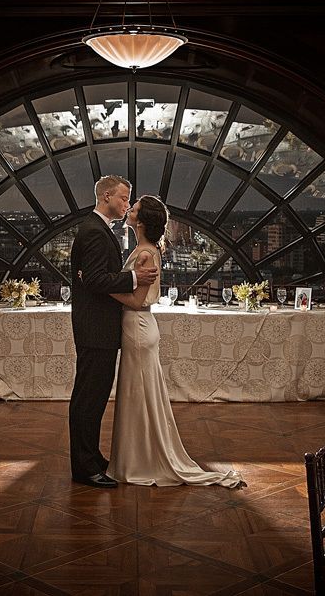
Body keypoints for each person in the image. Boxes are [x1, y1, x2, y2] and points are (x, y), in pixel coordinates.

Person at [107, 195, 244, 488]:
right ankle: (140, 458)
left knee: (137, 396)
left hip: (138, 326)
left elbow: (137, 300)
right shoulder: (148, 249)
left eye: (134, 209)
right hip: (142, 328)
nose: (129, 210)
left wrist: (105, 289)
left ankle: (138, 462)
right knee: (141, 396)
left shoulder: (144, 254)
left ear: (141, 221)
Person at [68, 175, 158, 488]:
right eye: (123, 199)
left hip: (97, 327)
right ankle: (84, 467)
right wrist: (135, 279)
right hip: (96, 329)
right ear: (107, 196)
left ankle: (90, 459)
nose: (126, 205)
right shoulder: (94, 231)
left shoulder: (95, 229)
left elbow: (92, 277)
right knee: (89, 400)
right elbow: (93, 280)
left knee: (91, 398)